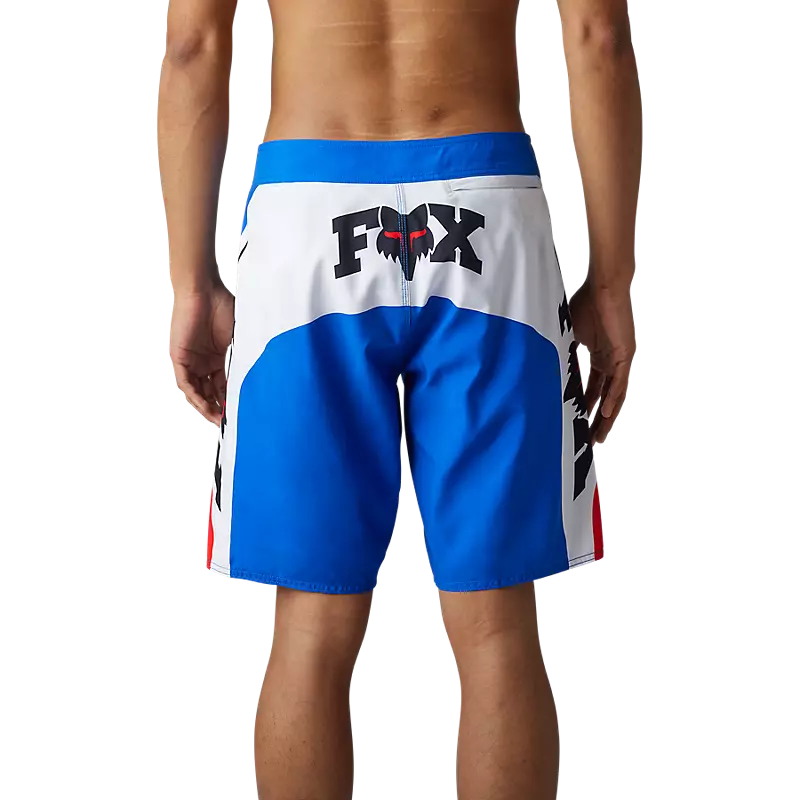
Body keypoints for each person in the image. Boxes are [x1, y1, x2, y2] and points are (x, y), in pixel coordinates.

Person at [157, 0, 640, 795]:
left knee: (310, 623)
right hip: (486, 206)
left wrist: (191, 281)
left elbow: (191, 47)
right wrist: (613, 281)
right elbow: (599, 36)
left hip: (307, 213)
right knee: (496, 624)